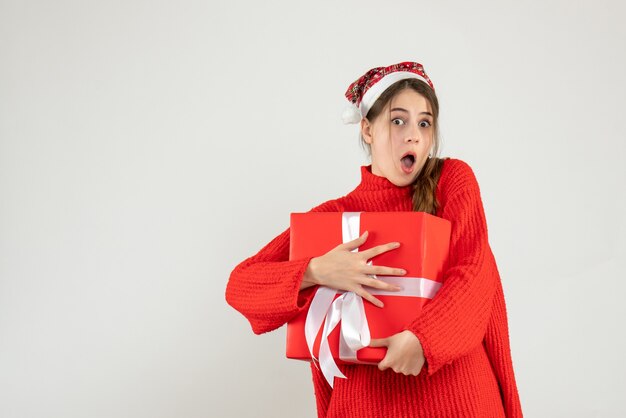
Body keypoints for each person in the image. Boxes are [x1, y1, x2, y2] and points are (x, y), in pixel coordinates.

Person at [225, 61, 523, 418]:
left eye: (424, 123)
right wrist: (317, 270)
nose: (414, 134)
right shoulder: (334, 217)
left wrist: (423, 341)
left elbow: (474, 276)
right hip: (366, 406)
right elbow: (241, 286)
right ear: (367, 129)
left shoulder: (452, 182)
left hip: (460, 401)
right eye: (398, 120)